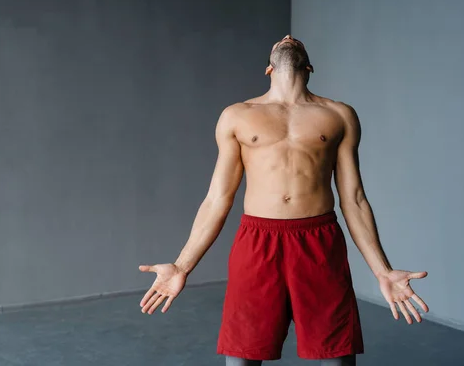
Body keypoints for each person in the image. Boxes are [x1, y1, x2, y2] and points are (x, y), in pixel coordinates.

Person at [138, 35, 429, 365]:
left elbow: (354, 198)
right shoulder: (237, 115)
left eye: (294, 40)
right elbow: (218, 198)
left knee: (335, 352)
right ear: (269, 69)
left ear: (309, 67)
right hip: (258, 241)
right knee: (243, 351)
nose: (288, 37)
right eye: (283, 40)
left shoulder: (339, 115)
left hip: (319, 240)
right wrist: (181, 265)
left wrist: (383, 271)